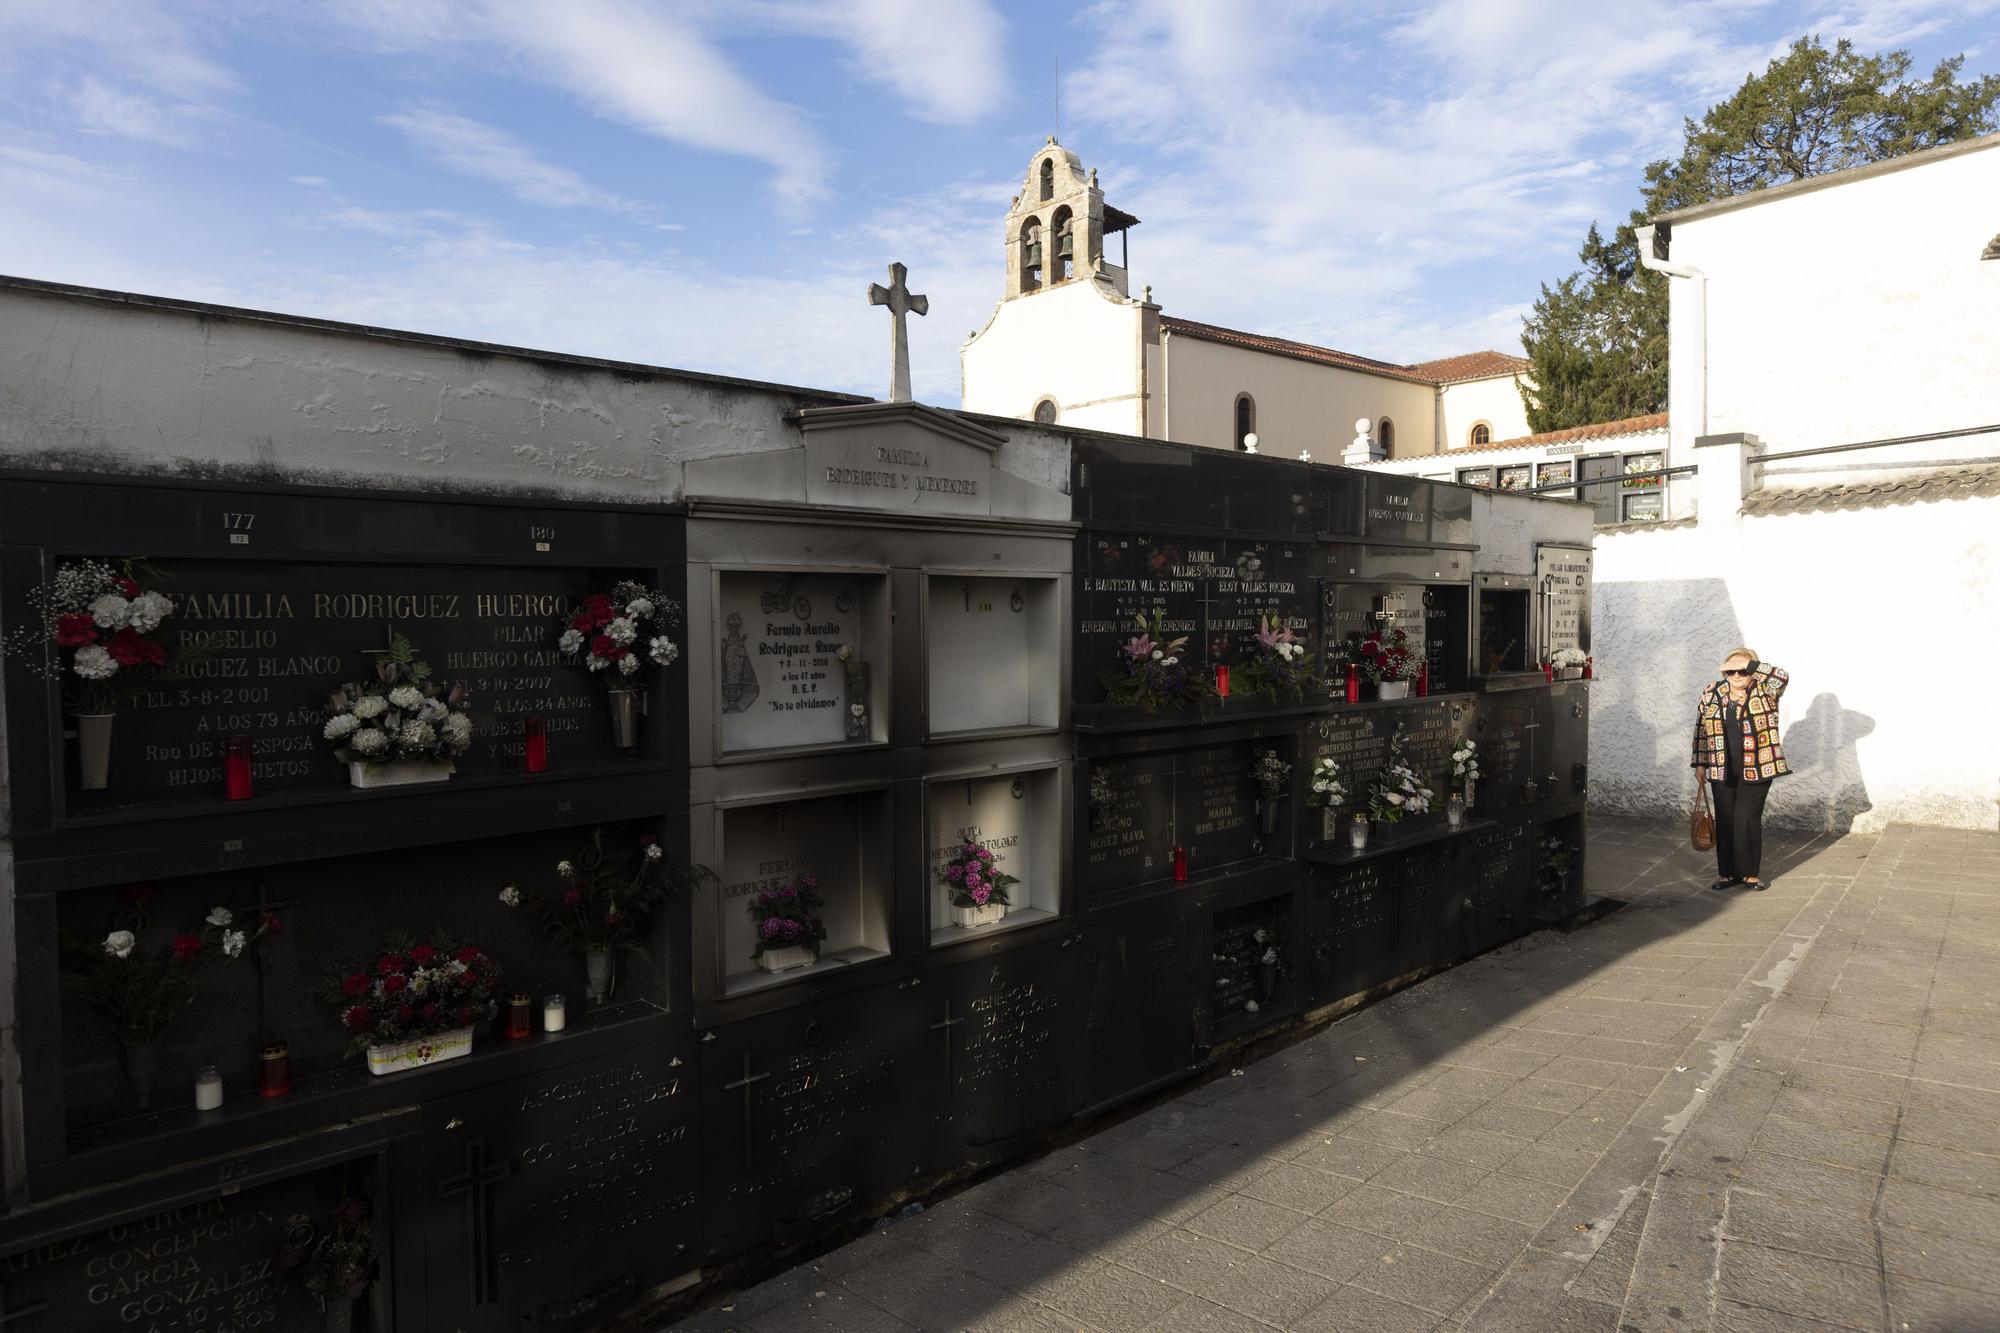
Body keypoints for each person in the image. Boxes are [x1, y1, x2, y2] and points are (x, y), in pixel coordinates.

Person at [1691, 648, 1789, 890]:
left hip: (1758, 766)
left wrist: (1751, 665)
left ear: (1751, 671)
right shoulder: (1712, 692)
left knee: (1746, 818)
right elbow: (1701, 729)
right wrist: (1701, 763)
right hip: (1721, 768)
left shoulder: (1765, 691)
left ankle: (1749, 874)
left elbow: (1781, 676)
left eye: (1742, 671)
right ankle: (1727, 874)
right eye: (1730, 671)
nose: (1736, 675)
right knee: (1725, 820)